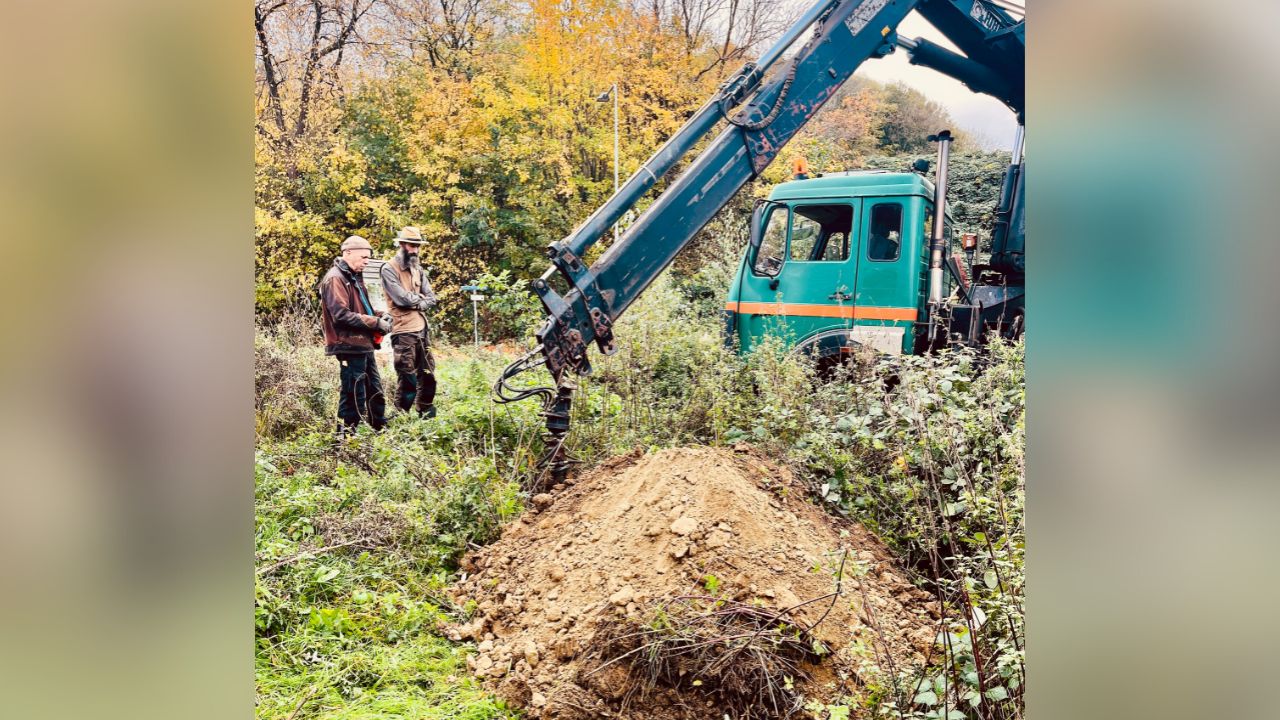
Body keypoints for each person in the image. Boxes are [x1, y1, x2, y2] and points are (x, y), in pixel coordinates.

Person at [320, 235, 391, 434]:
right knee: (353, 394)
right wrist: (376, 322)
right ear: (347, 254)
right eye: (363, 257)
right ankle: (344, 440)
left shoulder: (354, 277)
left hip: (362, 344)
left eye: (368, 258)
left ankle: (380, 431)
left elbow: (362, 310)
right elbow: (341, 315)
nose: (367, 262)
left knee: (374, 389)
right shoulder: (336, 278)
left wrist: (381, 315)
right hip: (348, 345)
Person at [379, 226, 439, 418]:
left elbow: (432, 298)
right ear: (402, 245)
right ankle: (401, 417)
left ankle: (425, 412)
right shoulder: (389, 269)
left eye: (417, 246)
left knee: (429, 375)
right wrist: (419, 300)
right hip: (403, 331)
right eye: (411, 245)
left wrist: (419, 301)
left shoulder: (418, 269)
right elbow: (401, 299)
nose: (414, 250)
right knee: (408, 379)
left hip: (422, 329)